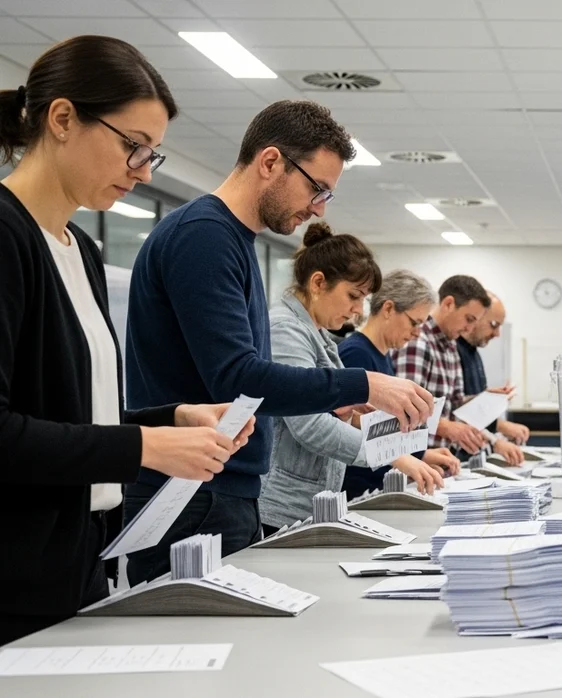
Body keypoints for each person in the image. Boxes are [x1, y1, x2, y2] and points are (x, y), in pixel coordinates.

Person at [0, 35, 253, 644]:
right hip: (13, 580)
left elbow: (71, 412)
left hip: (79, 564)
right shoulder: (7, 237)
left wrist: (174, 417)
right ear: (63, 119)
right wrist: (144, 446)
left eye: (152, 156)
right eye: (132, 148)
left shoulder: (79, 248)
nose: (141, 173)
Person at [123, 100, 435, 584]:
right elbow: (237, 377)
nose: (318, 208)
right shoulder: (204, 236)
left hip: (219, 491)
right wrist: (365, 385)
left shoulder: (233, 241)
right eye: (317, 188)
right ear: (270, 162)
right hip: (193, 495)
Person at [259, 224, 448, 535]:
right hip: (282, 505)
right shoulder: (285, 329)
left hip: (309, 501)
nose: (357, 310)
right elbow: (309, 424)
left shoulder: (317, 335)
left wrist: (350, 414)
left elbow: (327, 411)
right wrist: (391, 455)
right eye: (353, 296)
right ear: (318, 283)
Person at [340, 269, 460, 499]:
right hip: (357, 489)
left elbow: (382, 426)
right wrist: (408, 461)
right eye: (414, 323)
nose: (417, 334)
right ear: (388, 308)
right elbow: (347, 427)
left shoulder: (383, 355)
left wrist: (420, 455)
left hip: (378, 484)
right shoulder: (355, 354)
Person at [392, 274, 496, 459]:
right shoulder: (418, 342)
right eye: (469, 319)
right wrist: (448, 428)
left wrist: (488, 400)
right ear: (448, 304)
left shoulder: (451, 347)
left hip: (439, 460)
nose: (469, 329)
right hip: (414, 460)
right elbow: (404, 410)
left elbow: (455, 404)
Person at [456, 292, 531, 462]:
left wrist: (489, 400)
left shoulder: (473, 354)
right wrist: (497, 436)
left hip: (473, 454)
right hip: (458, 453)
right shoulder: (453, 351)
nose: (497, 334)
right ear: (477, 317)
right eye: (493, 325)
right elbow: (454, 412)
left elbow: (468, 407)